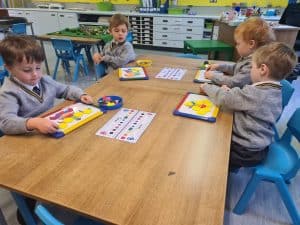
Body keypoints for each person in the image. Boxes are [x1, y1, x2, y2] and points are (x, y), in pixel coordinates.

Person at [0, 35, 94, 225]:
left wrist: (80, 94)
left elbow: (65, 89)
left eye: (38, 68)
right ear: (9, 68)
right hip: (27, 144)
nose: (35, 74)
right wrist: (33, 123)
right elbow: (6, 122)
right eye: (27, 70)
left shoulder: (44, 80)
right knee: (35, 180)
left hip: (51, 136)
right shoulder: (8, 92)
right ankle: (27, 208)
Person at [200, 42, 297, 169]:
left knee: (209, 150)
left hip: (245, 151)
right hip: (258, 145)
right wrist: (229, 92)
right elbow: (245, 99)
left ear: (262, 69)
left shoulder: (257, 93)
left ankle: (221, 178)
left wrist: (206, 87)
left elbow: (225, 99)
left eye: (252, 67)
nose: (250, 70)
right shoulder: (274, 89)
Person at [204, 17, 276, 88]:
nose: (236, 46)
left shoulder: (253, 63)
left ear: (251, 44)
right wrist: (219, 66)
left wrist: (213, 76)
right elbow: (236, 68)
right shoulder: (248, 58)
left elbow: (234, 83)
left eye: (238, 43)